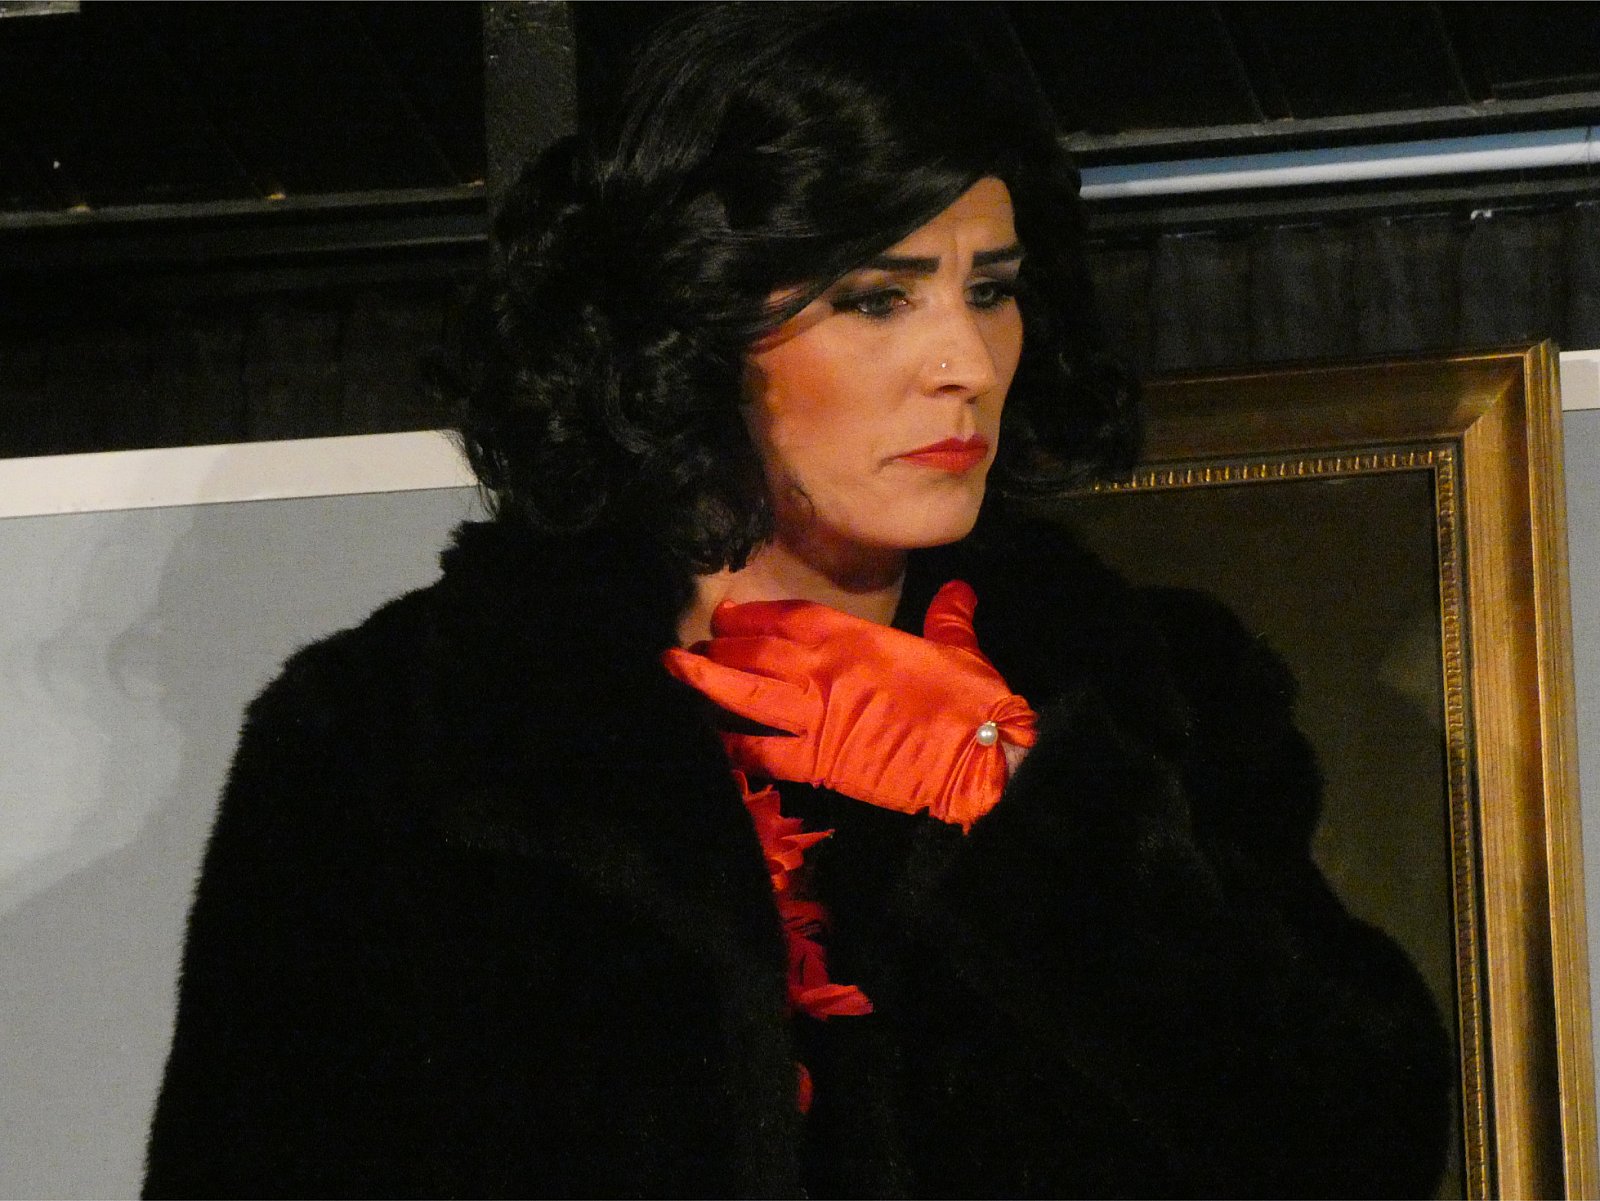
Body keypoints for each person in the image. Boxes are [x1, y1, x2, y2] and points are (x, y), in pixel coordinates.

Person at [144, 4, 1454, 1197]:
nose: (965, 362)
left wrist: (1026, 805)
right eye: (877, 299)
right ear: (690, 324)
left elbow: (1362, 1147)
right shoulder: (393, 743)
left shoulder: (1148, 691)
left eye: (991, 290)